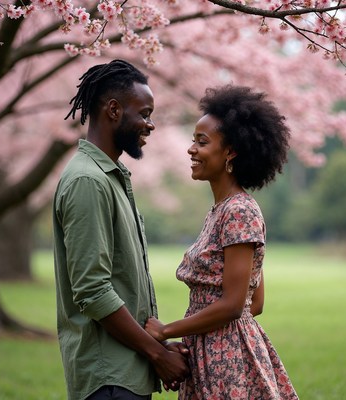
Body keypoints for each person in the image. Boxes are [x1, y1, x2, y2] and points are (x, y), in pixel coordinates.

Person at [145, 85, 299, 400]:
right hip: (210, 349)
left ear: (230, 152)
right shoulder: (221, 211)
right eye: (193, 140)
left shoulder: (239, 211)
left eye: (202, 142)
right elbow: (253, 303)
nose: (191, 149)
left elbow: (235, 305)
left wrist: (165, 331)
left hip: (226, 358)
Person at [53, 59, 189, 400]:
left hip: (123, 373)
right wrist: (156, 354)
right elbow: (93, 291)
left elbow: (118, 283)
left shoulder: (108, 177)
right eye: (144, 113)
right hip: (108, 380)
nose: (151, 125)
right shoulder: (88, 181)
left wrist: (157, 343)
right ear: (113, 110)